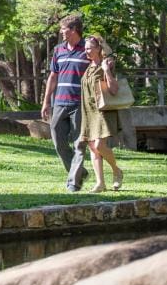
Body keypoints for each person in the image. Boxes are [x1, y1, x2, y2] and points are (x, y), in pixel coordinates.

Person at [41, 14, 90, 192]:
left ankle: (73, 183)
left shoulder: (87, 49)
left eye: (64, 30)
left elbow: (101, 64)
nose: (62, 33)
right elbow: (53, 77)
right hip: (60, 103)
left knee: (79, 144)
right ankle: (80, 172)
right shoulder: (58, 50)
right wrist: (46, 102)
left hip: (80, 104)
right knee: (58, 141)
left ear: (74, 30)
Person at [79, 35, 124, 193]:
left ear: (98, 48)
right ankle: (100, 183)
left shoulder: (107, 64)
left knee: (99, 145)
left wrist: (106, 71)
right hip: (89, 111)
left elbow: (114, 89)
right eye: (85, 48)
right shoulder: (89, 66)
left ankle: (116, 171)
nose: (86, 51)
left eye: (89, 48)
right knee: (93, 147)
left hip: (103, 111)